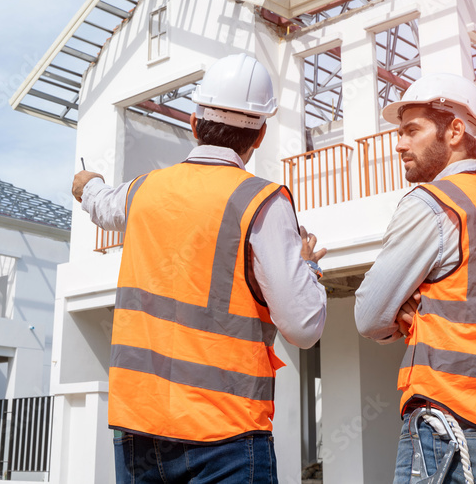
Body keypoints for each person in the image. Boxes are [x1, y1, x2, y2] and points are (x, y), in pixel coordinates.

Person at [72, 53, 327, 484]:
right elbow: (304, 326)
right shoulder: (261, 201)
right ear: (260, 135)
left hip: (140, 427)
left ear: (194, 123)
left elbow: (102, 204)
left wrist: (87, 184)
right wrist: (306, 266)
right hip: (226, 433)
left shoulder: (145, 190)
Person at [353, 73, 476, 484]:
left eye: (412, 130)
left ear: (456, 131)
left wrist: (413, 314)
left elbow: (368, 315)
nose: (399, 144)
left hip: (449, 430)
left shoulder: (434, 204)